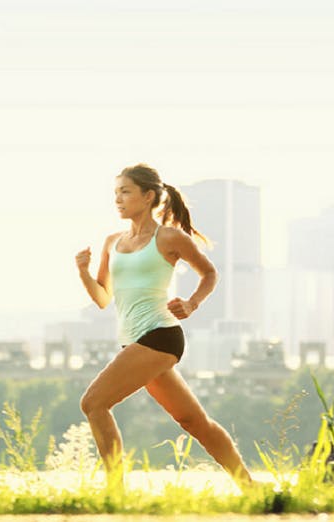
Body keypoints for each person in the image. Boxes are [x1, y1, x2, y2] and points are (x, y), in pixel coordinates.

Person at [74, 163, 252, 486]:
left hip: (160, 335)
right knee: (193, 421)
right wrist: (84, 272)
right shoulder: (112, 243)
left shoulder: (168, 237)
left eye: (125, 192)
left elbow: (209, 273)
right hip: (135, 342)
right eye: (115, 193)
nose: (118, 199)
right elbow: (102, 298)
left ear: (148, 196)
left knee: (94, 402)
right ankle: (251, 486)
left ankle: (115, 493)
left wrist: (191, 303)